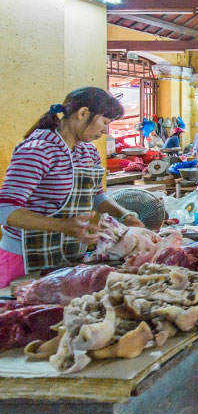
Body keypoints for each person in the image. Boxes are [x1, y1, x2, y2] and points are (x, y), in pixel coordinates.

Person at [0, 88, 144, 287]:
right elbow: (5, 210)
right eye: (104, 122)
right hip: (23, 258)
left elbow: (96, 196)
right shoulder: (37, 150)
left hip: (69, 255)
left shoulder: (88, 152)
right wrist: (64, 226)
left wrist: (125, 214)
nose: (105, 131)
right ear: (82, 113)